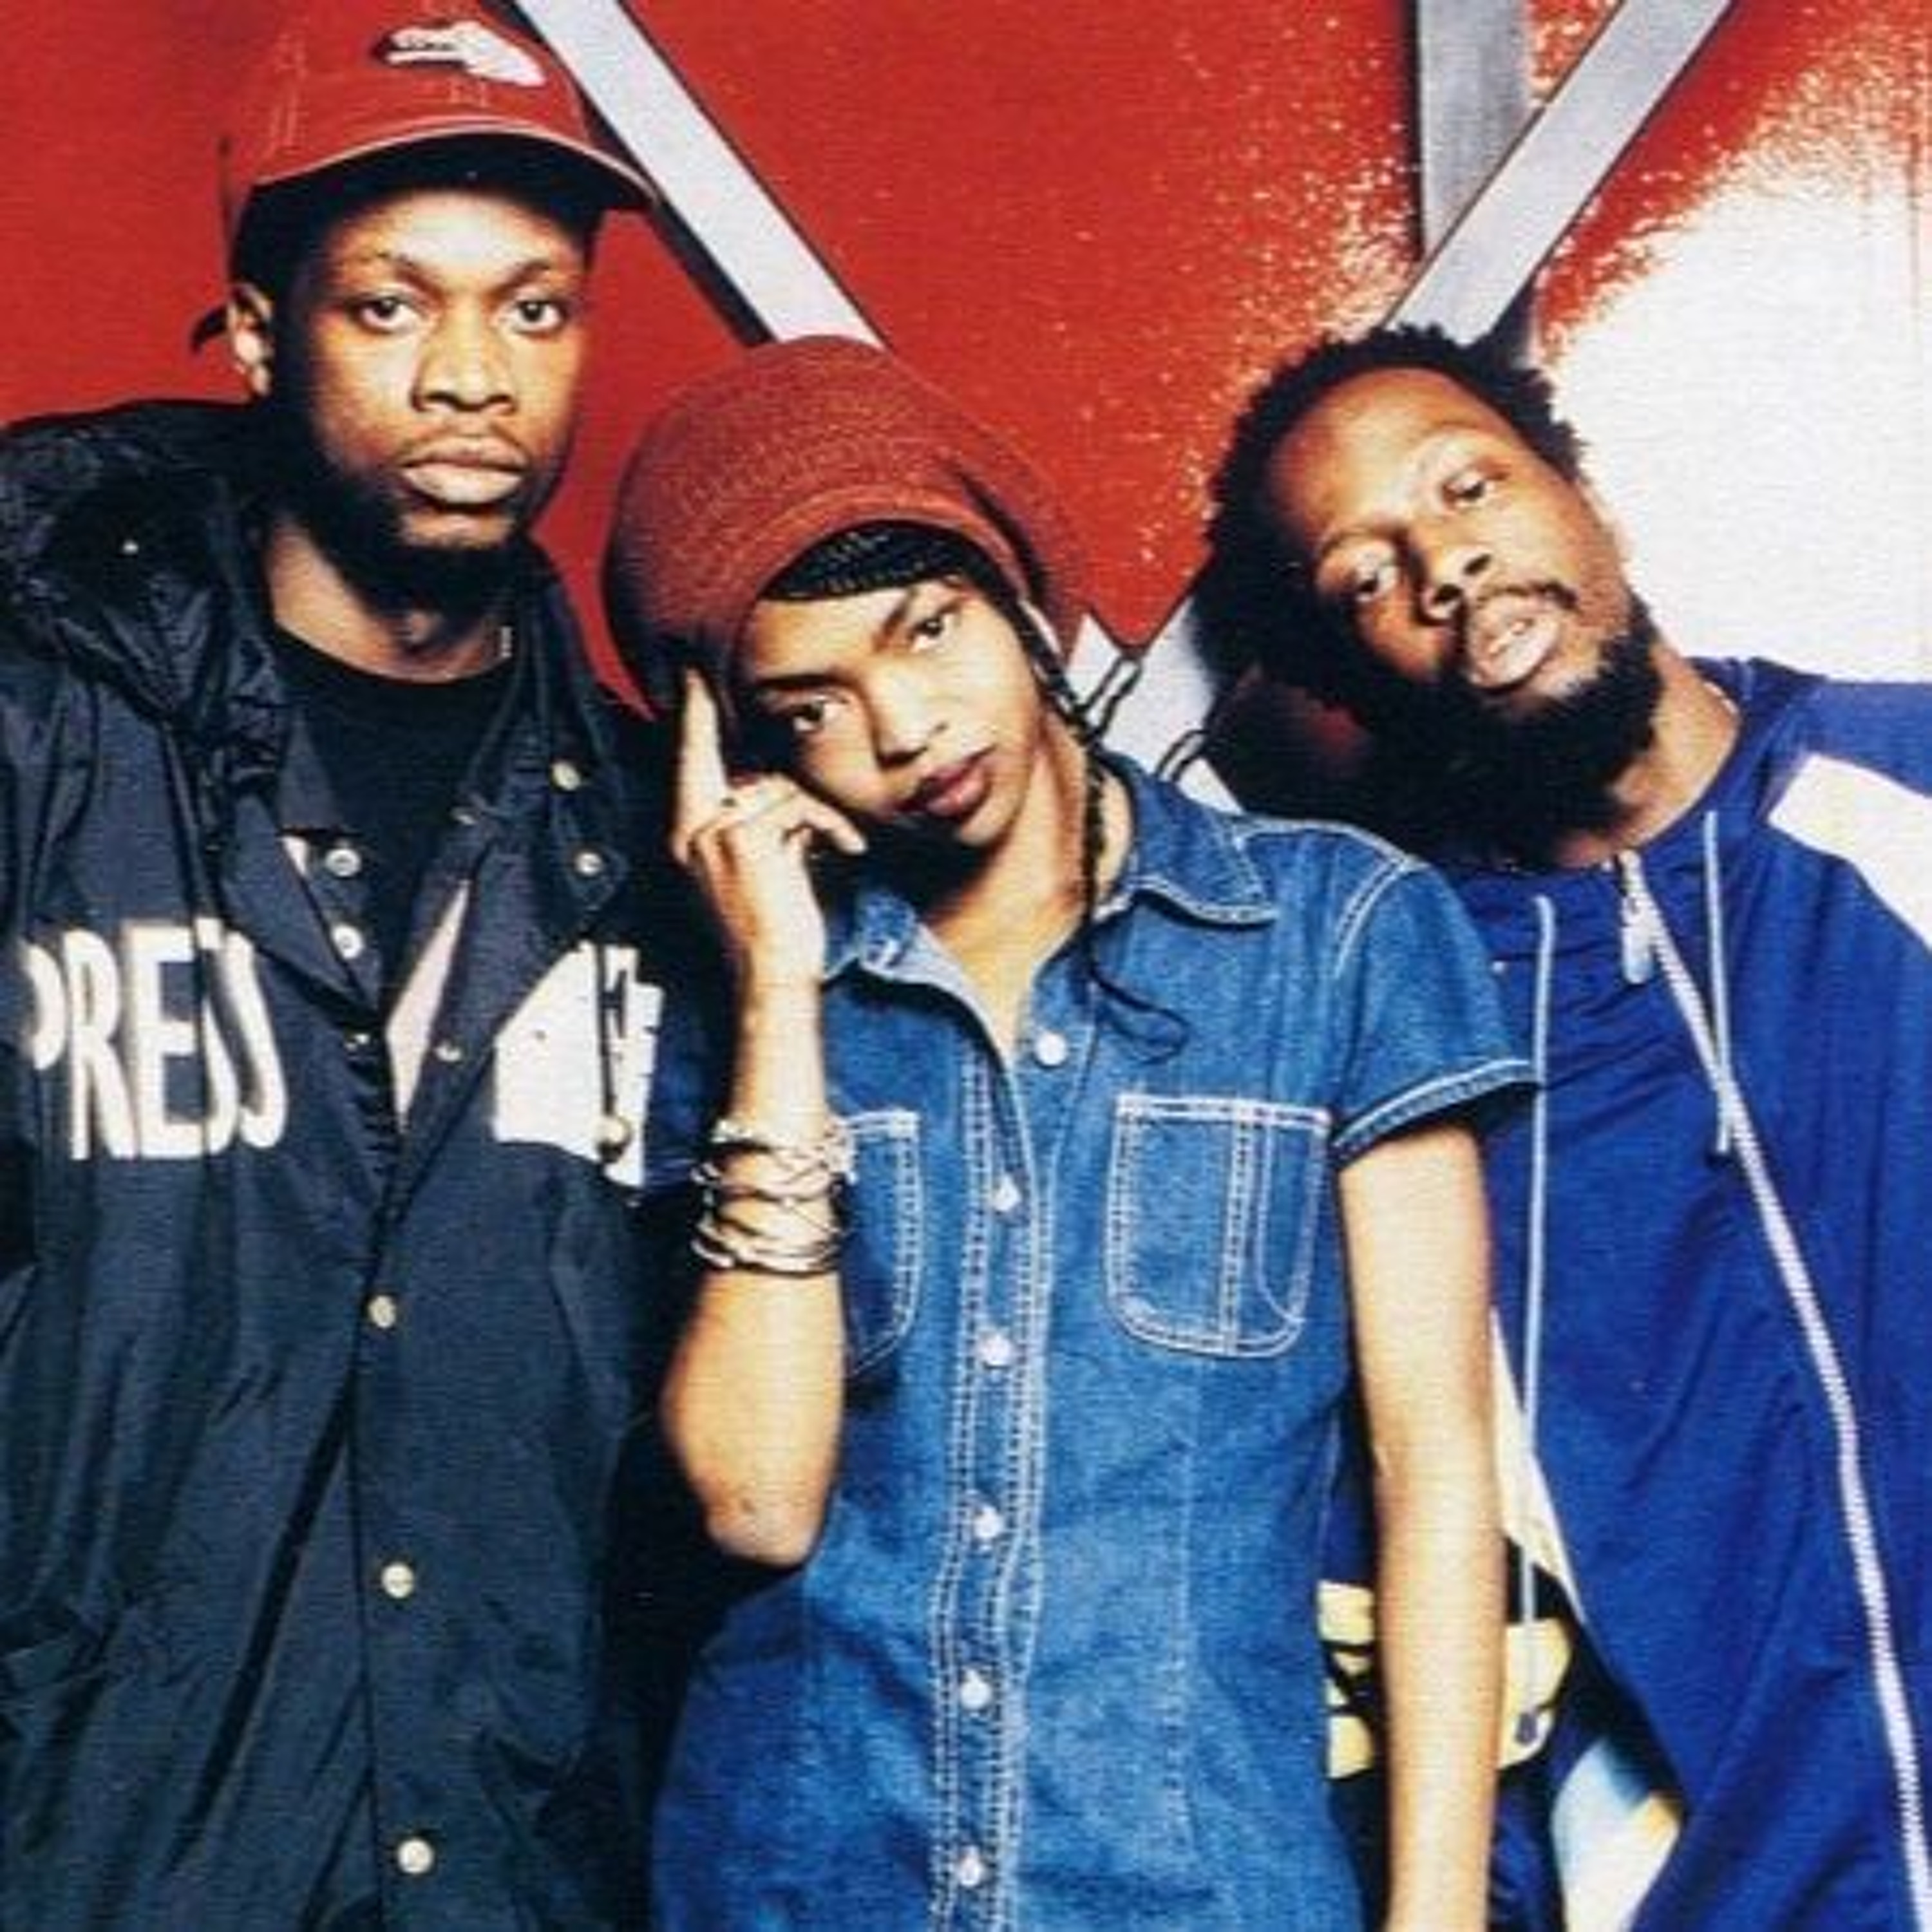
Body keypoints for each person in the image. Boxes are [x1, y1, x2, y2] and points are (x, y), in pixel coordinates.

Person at [603, 333, 1529, 1929]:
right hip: (807, 1887)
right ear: (746, 755)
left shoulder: (1337, 932)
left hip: (1195, 1892)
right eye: (813, 707)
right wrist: (777, 993)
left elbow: (1434, 1472)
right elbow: (755, 1501)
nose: (905, 728)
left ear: (1023, 608)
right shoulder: (747, 1006)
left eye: (929, 630)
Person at [0, 3, 692, 1922]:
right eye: (392, 306)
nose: (472, 377)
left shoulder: (652, 838)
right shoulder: (46, 749)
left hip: (517, 1869)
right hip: (107, 1856)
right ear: (256, 333)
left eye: (535, 310)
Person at [1200, 323, 1932, 1929]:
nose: (1444, 564)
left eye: (1468, 486)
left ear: (1582, 494)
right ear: (1347, 682)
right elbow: (1406, 1581)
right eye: (1367, 576)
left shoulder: (1908, 787)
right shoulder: (1408, 1026)